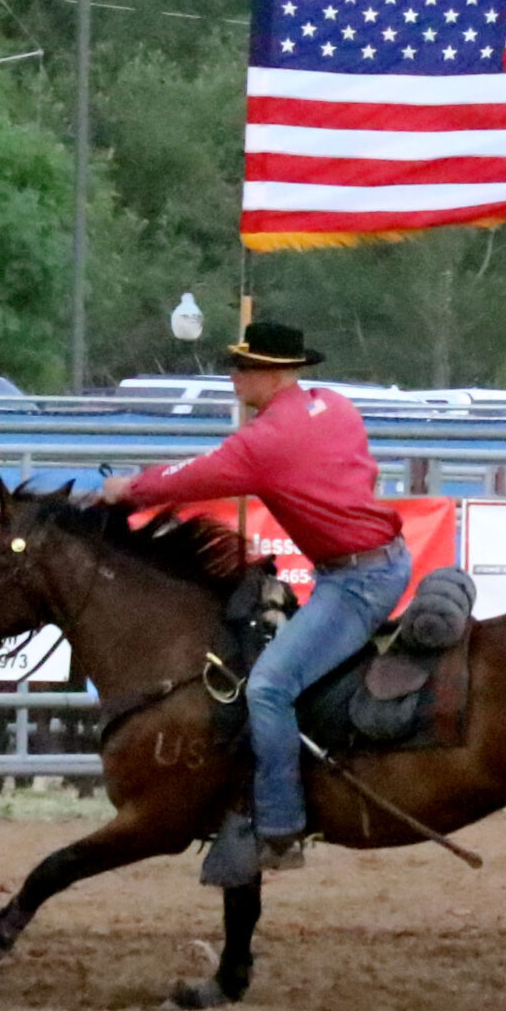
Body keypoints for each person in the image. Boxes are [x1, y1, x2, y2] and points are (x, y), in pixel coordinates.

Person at [91, 322, 409, 869]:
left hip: (355, 581)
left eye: (244, 367)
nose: (234, 376)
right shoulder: (332, 405)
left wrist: (129, 488)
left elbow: (192, 477)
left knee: (267, 686)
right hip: (374, 563)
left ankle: (280, 825)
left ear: (275, 372)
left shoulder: (266, 441)